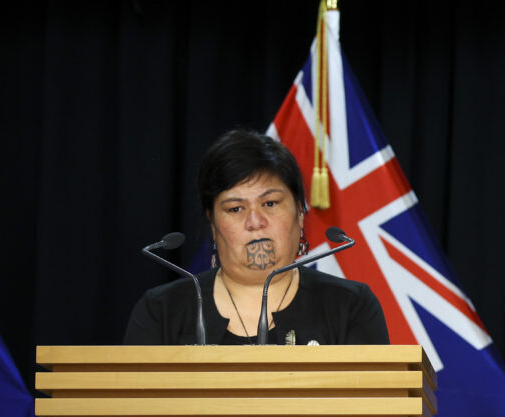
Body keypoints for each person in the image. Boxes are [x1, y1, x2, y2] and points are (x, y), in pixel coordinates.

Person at [125, 130, 390, 345]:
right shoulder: (161, 311)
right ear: (213, 224)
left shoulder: (349, 306)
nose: (255, 222)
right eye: (235, 209)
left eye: (270, 204)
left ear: (300, 213)